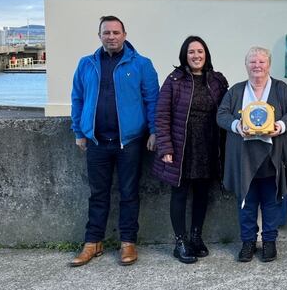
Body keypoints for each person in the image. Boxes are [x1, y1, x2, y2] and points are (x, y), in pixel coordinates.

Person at [69, 15, 159, 267]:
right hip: (96, 142)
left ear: (125, 35)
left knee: (129, 193)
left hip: (129, 142)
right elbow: (77, 98)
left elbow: (152, 100)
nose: (111, 37)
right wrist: (79, 132)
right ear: (99, 36)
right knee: (98, 194)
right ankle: (93, 242)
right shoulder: (86, 64)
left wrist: (154, 131)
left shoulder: (142, 64)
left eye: (116, 32)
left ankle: (128, 242)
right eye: (106, 32)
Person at [216, 46, 287, 263]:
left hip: (272, 157)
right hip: (244, 159)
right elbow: (221, 115)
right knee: (246, 202)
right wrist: (236, 125)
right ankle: (248, 242)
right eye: (252, 62)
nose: (257, 66)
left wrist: (280, 126)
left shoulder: (281, 89)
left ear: (269, 65)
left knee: (271, 202)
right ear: (246, 65)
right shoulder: (236, 91)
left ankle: (269, 241)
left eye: (261, 62)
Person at [152, 36, 229, 264]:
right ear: (185, 56)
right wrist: (165, 146)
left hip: (207, 145)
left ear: (206, 54)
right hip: (181, 145)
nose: (196, 56)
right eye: (191, 52)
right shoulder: (174, 80)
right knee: (180, 193)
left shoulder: (217, 80)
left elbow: (227, 110)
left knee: (202, 193)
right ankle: (180, 242)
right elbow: (162, 115)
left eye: (200, 51)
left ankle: (196, 237)